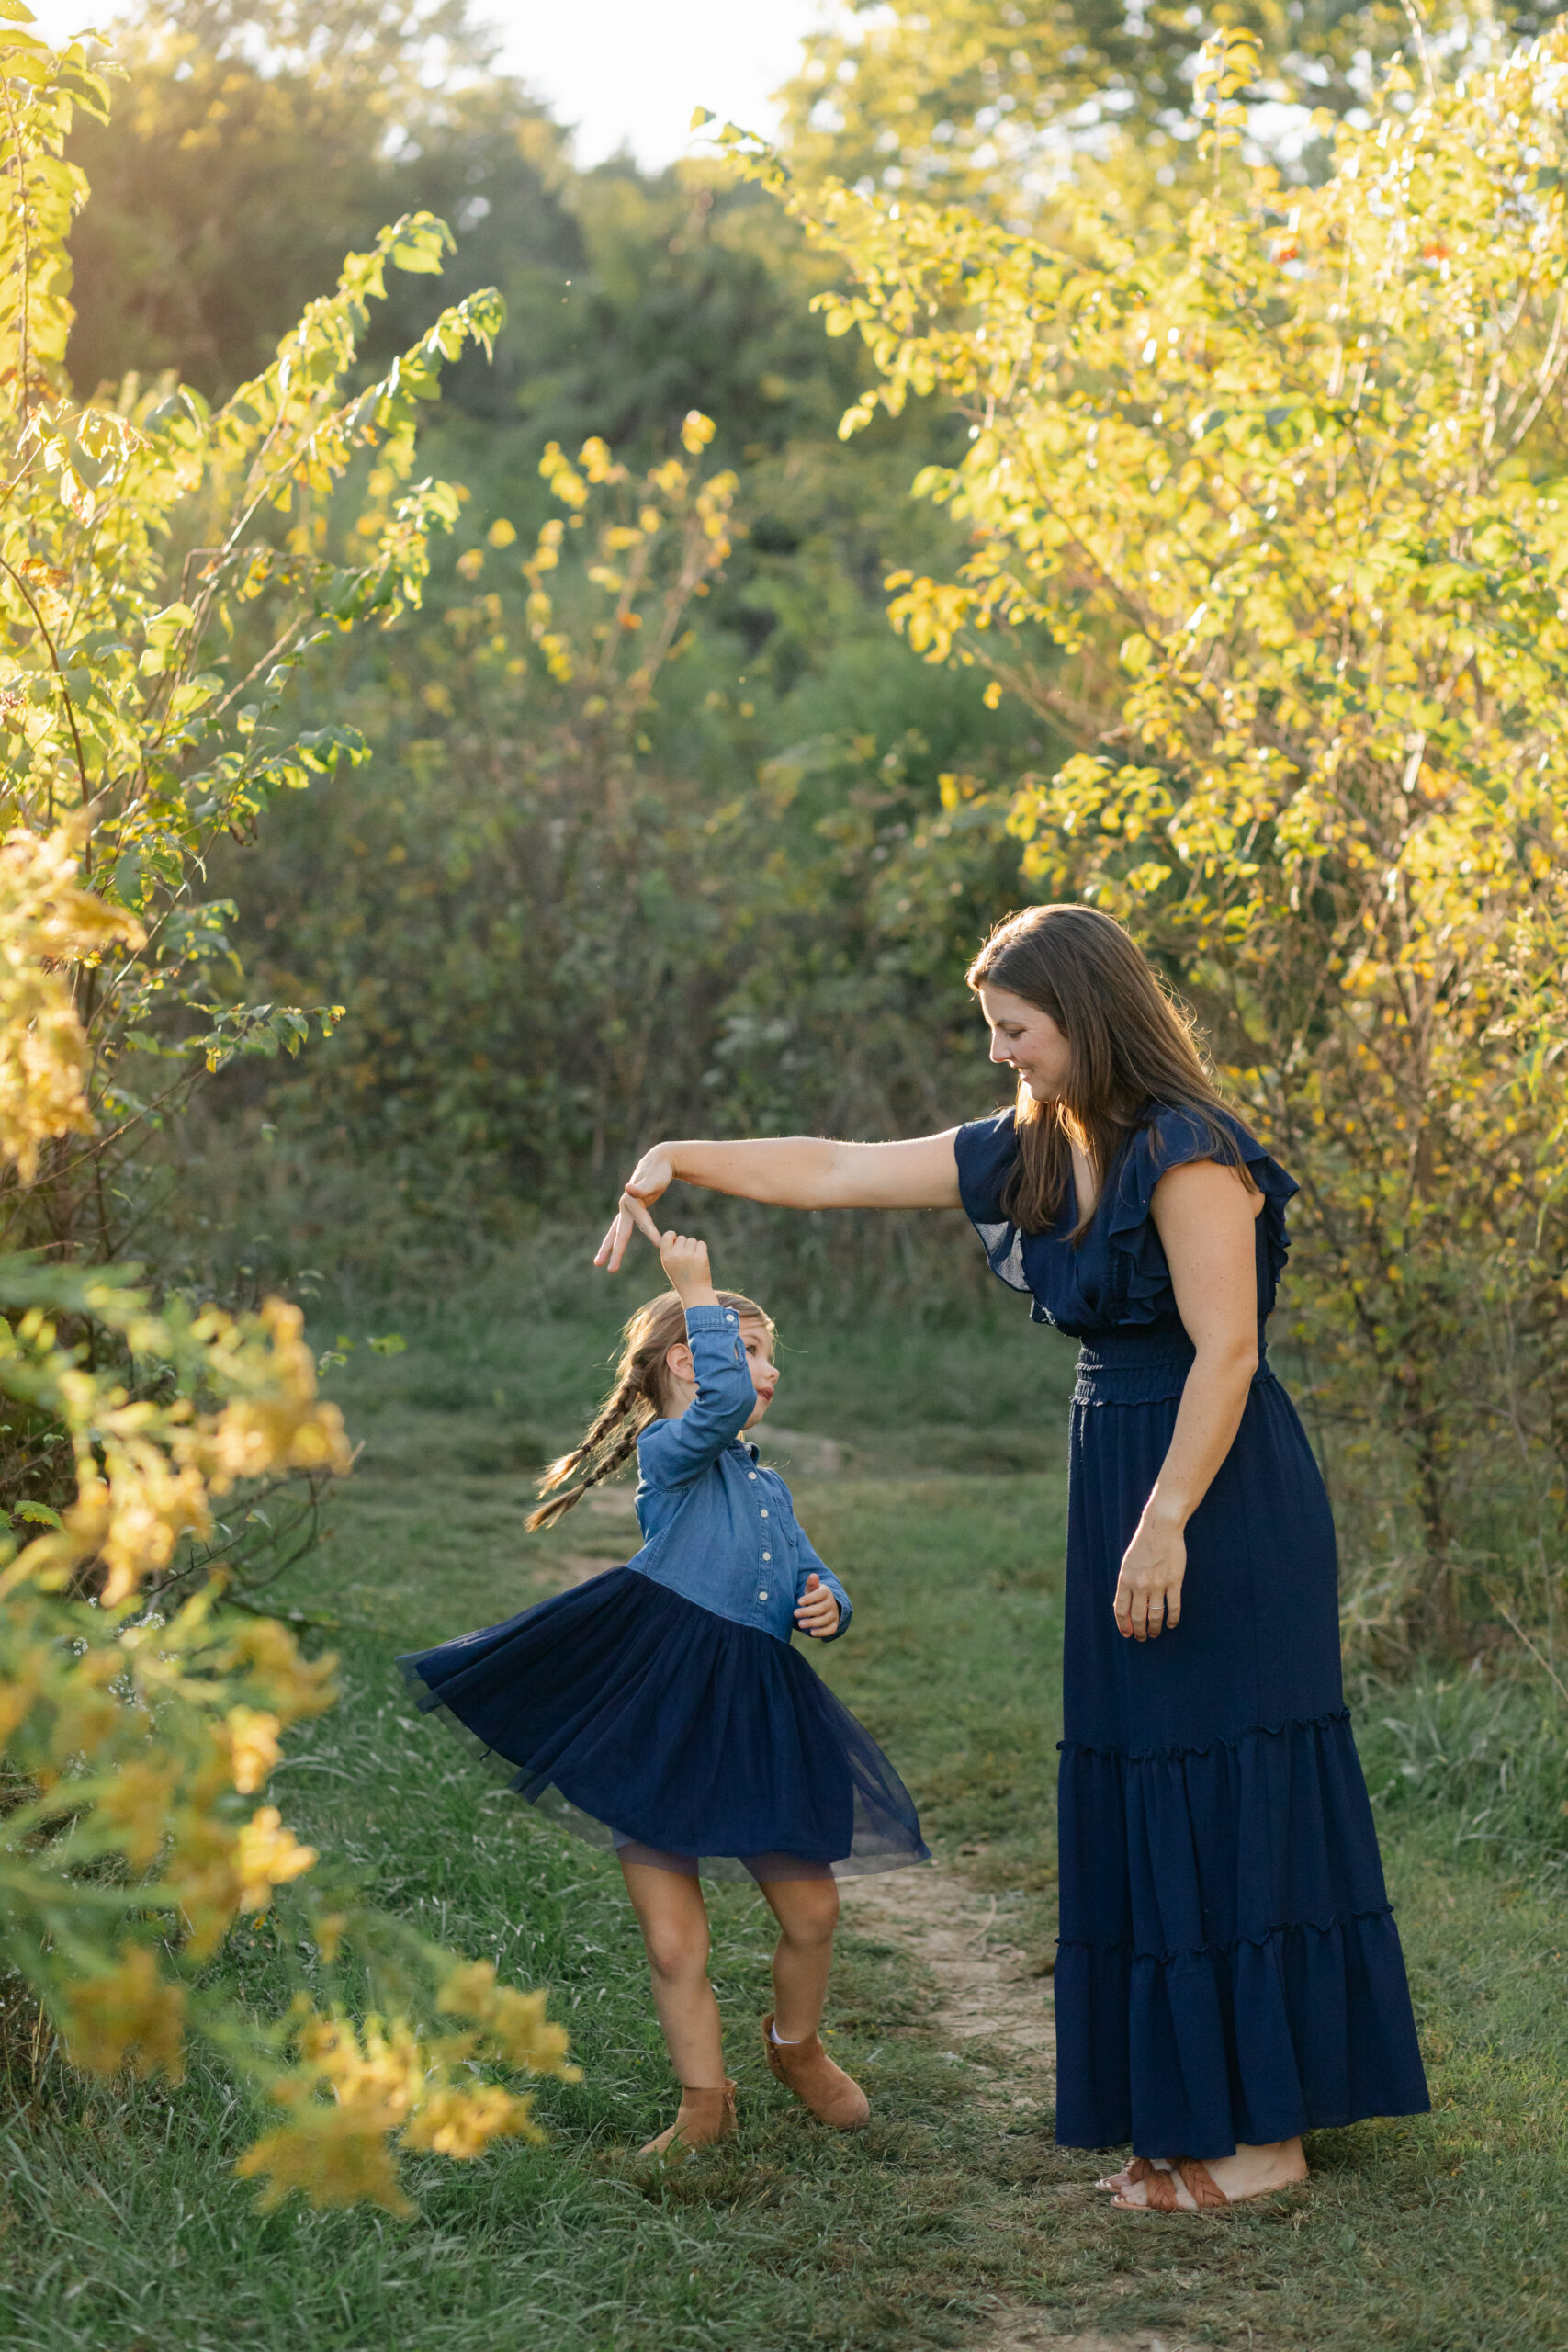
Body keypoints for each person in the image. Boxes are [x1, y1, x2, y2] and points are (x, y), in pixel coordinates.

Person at [596, 901, 1429, 2211]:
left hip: (1211, 1493)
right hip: (1118, 1473)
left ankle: (1263, 2143)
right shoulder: (1038, 1151)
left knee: (1221, 1779)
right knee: (1145, 1779)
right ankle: (1200, 2105)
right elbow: (834, 1168)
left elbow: (1227, 1354)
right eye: (990, 1031)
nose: (1000, 1056)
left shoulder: (1186, 1150)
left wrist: (1162, 1521)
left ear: (1083, 1018)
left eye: (1015, 1030)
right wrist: (671, 1153)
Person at [399, 1227, 929, 2157]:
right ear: (690, 1360)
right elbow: (719, 1404)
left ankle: (794, 2047)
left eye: (770, 1355)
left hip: (760, 1715)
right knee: (676, 1943)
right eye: (751, 1350)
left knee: (813, 1913)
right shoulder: (673, 1454)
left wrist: (827, 1601)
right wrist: (698, 1285)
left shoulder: (768, 1488)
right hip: (664, 1709)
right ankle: (702, 2104)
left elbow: (813, 1570)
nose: (766, 1371)